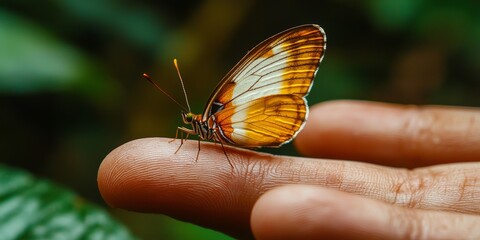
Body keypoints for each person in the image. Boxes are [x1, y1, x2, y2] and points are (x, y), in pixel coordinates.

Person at [98, 100, 480, 239]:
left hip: (257, 125)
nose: (191, 123)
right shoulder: (198, 126)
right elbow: (189, 136)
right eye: (191, 123)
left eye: (193, 121)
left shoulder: (216, 115)